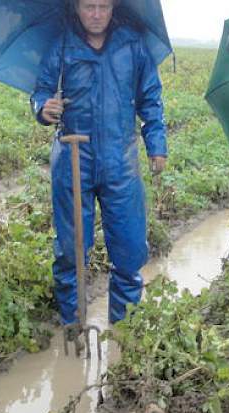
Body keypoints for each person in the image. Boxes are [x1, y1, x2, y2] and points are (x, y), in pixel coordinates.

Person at [31, 0, 167, 335]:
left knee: (130, 246)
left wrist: (157, 146)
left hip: (120, 160)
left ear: (113, 8)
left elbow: (150, 98)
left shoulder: (132, 45)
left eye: (103, 6)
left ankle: (124, 327)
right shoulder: (62, 44)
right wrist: (42, 108)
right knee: (71, 247)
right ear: (76, 8)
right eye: (88, 6)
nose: (96, 14)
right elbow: (41, 92)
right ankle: (72, 323)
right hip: (73, 157)